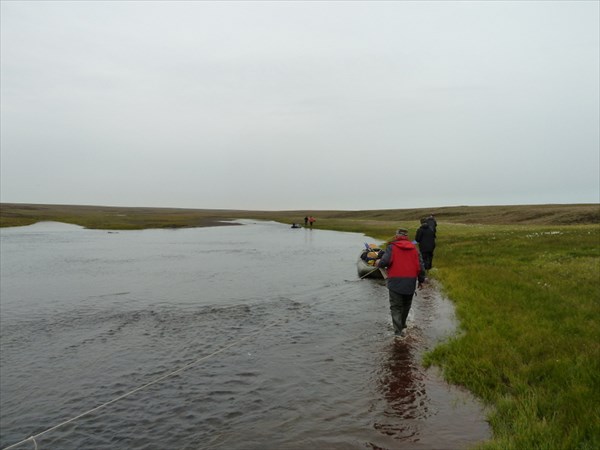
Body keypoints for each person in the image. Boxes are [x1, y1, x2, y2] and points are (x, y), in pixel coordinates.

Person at [376, 228, 425, 338]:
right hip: (410, 282)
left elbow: (384, 262)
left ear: (397, 236)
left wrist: (378, 263)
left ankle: (398, 334)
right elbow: (421, 267)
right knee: (406, 306)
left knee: (396, 307)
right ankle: (402, 326)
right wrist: (421, 280)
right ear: (407, 236)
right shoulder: (415, 249)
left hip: (395, 283)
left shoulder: (391, 247)